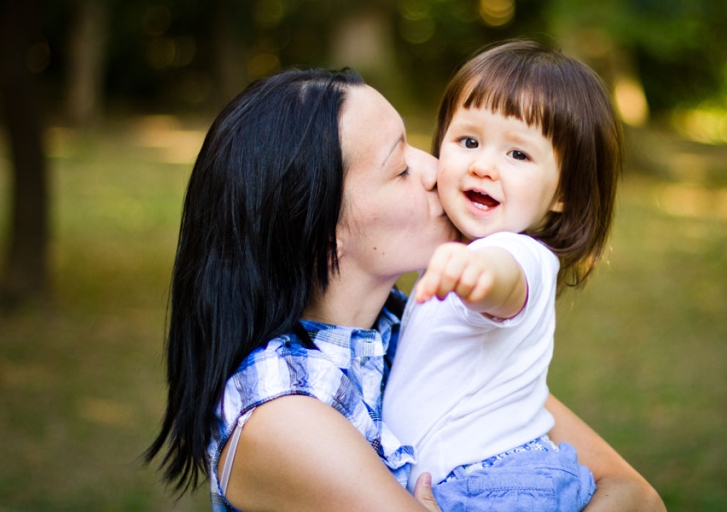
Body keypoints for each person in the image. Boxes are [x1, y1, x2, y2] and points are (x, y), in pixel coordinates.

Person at [145, 66, 665, 511]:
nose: (436, 170)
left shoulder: (401, 331)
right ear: (320, 230)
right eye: (399, 167)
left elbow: (637, 495)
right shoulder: (280, 414)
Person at [382, 39, 624, 511]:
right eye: (468, 141)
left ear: (562, 194)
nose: (483, 165)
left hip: (497, 484)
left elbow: (503, 281)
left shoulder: (520, 254)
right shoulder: (456, 248)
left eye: (518, 155)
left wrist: (474, 273)